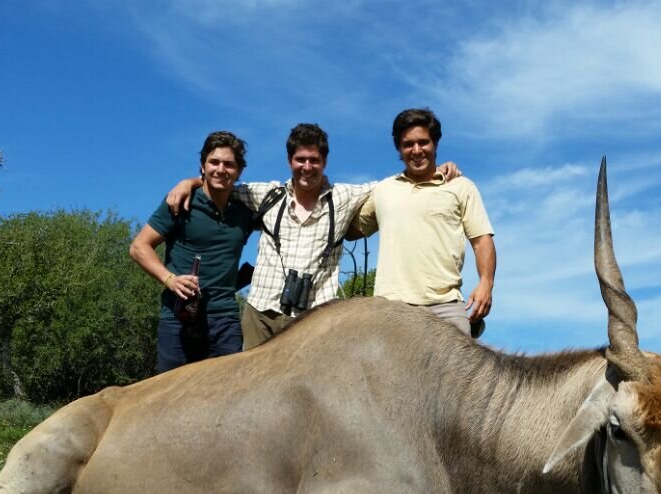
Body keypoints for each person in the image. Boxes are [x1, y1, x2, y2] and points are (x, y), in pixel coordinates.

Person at [167, 123, 459, 349]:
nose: (307, 167)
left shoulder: (345, 196)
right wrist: (190, 182)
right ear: (290, 160)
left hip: (316, 319)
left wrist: (437, 169)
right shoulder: (266, 195)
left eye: (314, 160)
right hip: (262, 314)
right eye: (300, 159)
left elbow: (394, 184)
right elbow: (222, 183)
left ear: (325, 161)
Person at [349, 108, 495, 336]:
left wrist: (486, 283)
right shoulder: (384, 190)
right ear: (399, 147)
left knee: (457, 373)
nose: (416, 150)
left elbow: (481, 241)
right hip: (389, 309)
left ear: (435, 144)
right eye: (408, 144)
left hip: (446, 307)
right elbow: (350, 231)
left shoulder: (460, 186)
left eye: (423, 142)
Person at [130, 131, 255, 373]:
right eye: (214, 162)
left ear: (239, 171)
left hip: (225, 320)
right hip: (179, 319)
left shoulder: (245, 211)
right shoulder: (180, 202)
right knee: (169, 401)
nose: (220, 169)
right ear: (202, 166)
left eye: (229, 164)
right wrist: (170, 279)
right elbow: (138, 247)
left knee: (226, 399)